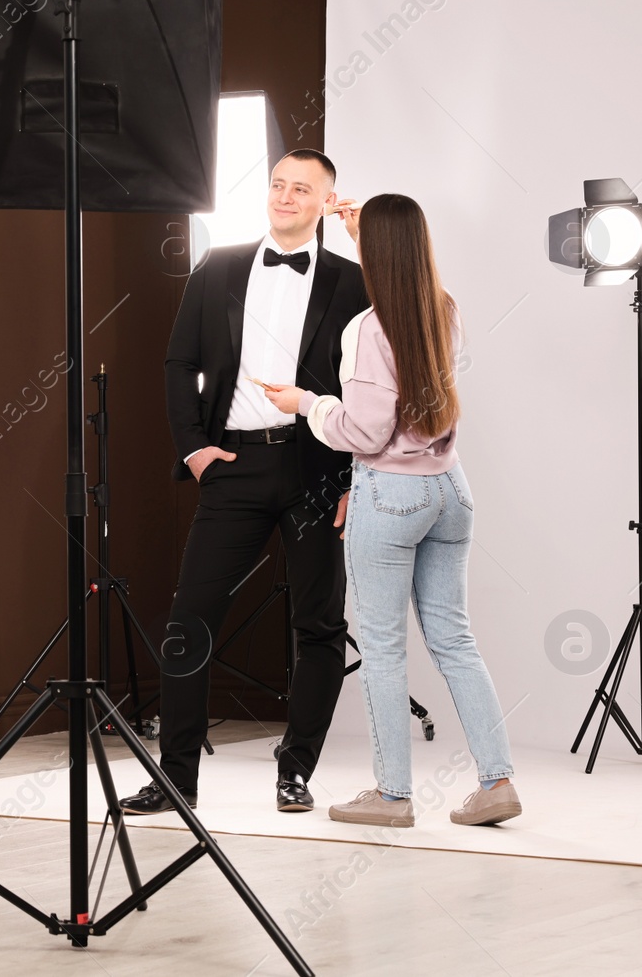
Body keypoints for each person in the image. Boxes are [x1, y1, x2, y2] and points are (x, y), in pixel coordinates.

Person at [120, 149, 369, 818]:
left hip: (320, 466)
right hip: (233, 465)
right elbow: (179, 362)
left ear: (326, 202)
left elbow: (378, 381)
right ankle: (176, 777)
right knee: (188, 619)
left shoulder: (352, 281)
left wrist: (356, 476)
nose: (285, 196)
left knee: (318, 623)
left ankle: (296, 770)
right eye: (278, 184)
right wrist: (194, 448)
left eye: (302, 189)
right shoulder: (220, 264)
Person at [263, 193, 519, 829]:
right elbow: (406, 281)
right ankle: (498, 782)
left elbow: (367, 430)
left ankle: (393, 795)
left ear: (372, 252)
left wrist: (308, 404)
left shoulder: (367, 330)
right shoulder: (443, 309)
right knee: (455, 641)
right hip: (449, 490)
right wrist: (369, 232)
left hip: (392, 493)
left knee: (381, 648)